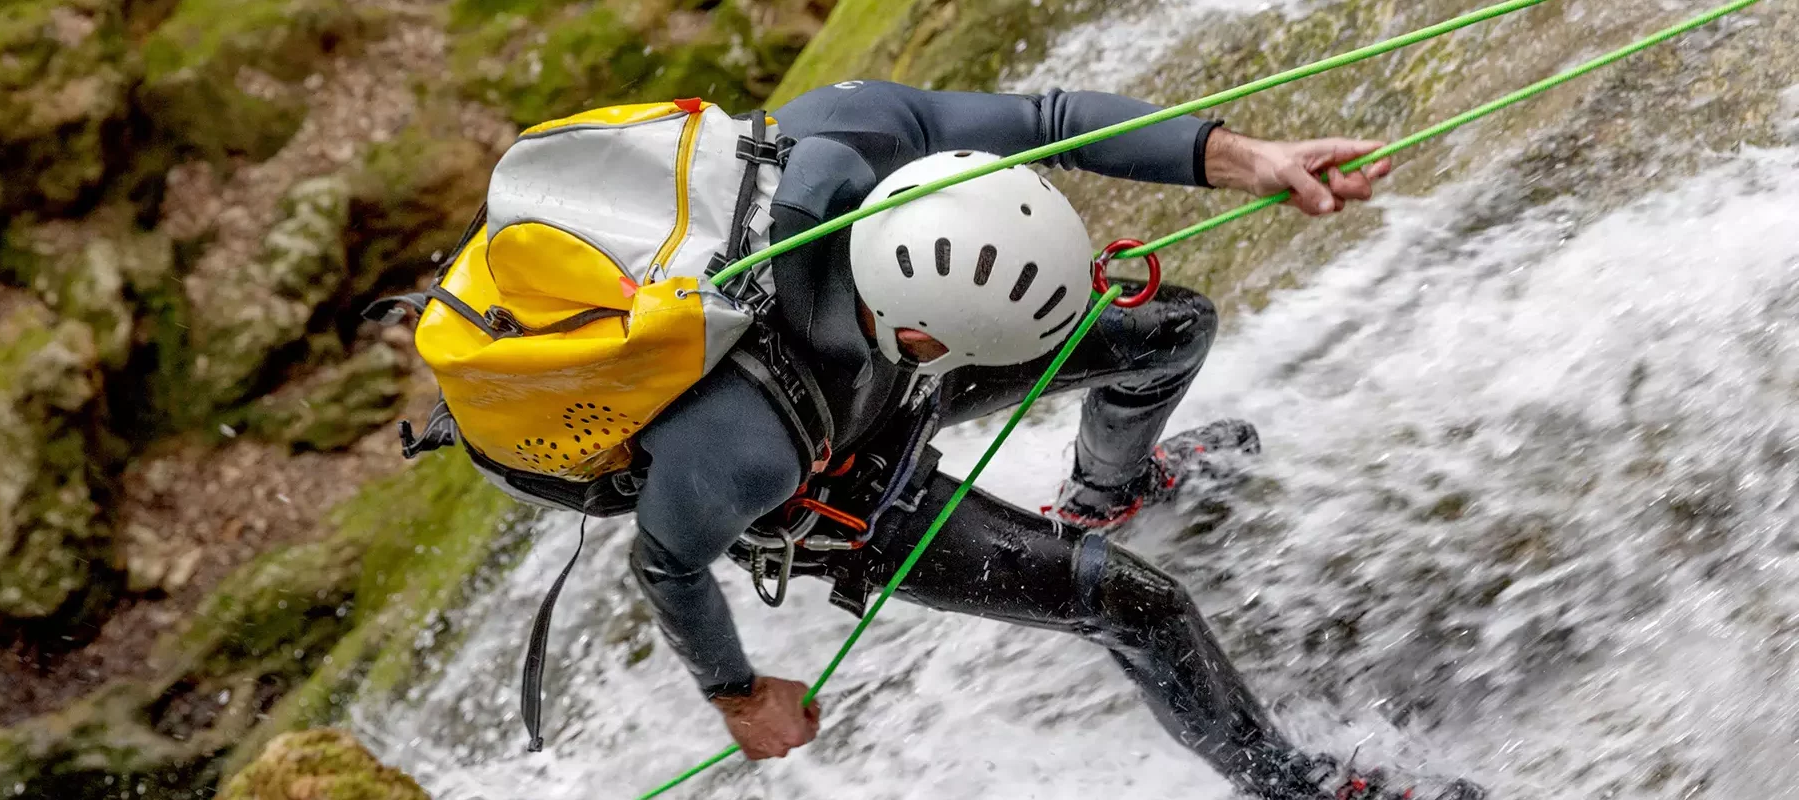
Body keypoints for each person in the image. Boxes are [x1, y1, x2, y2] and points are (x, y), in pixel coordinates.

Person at [627, 80, 1476, 800]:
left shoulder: (867, 131)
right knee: (1139, 604)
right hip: (834, 476)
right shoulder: (742, 444)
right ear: (929, 345)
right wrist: (736, 694)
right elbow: (667, 560)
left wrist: (1250, 157)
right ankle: (1289, 786)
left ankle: (1107, 496)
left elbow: (1054, 122)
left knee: (1170, 329)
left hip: (887, 344)